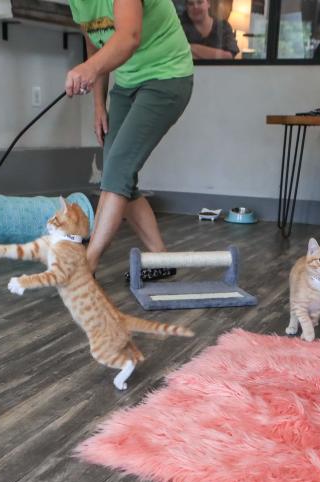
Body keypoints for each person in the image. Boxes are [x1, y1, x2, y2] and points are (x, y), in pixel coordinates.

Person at [66, 0, 194, 278]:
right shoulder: (77, 3)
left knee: (118, 169)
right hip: (126, 84)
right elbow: (96, 50)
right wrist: (98, 105)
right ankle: (160, 258)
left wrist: (88, 69)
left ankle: (88, 264)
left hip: (166, 77)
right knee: (119, 173)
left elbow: (128, 37)